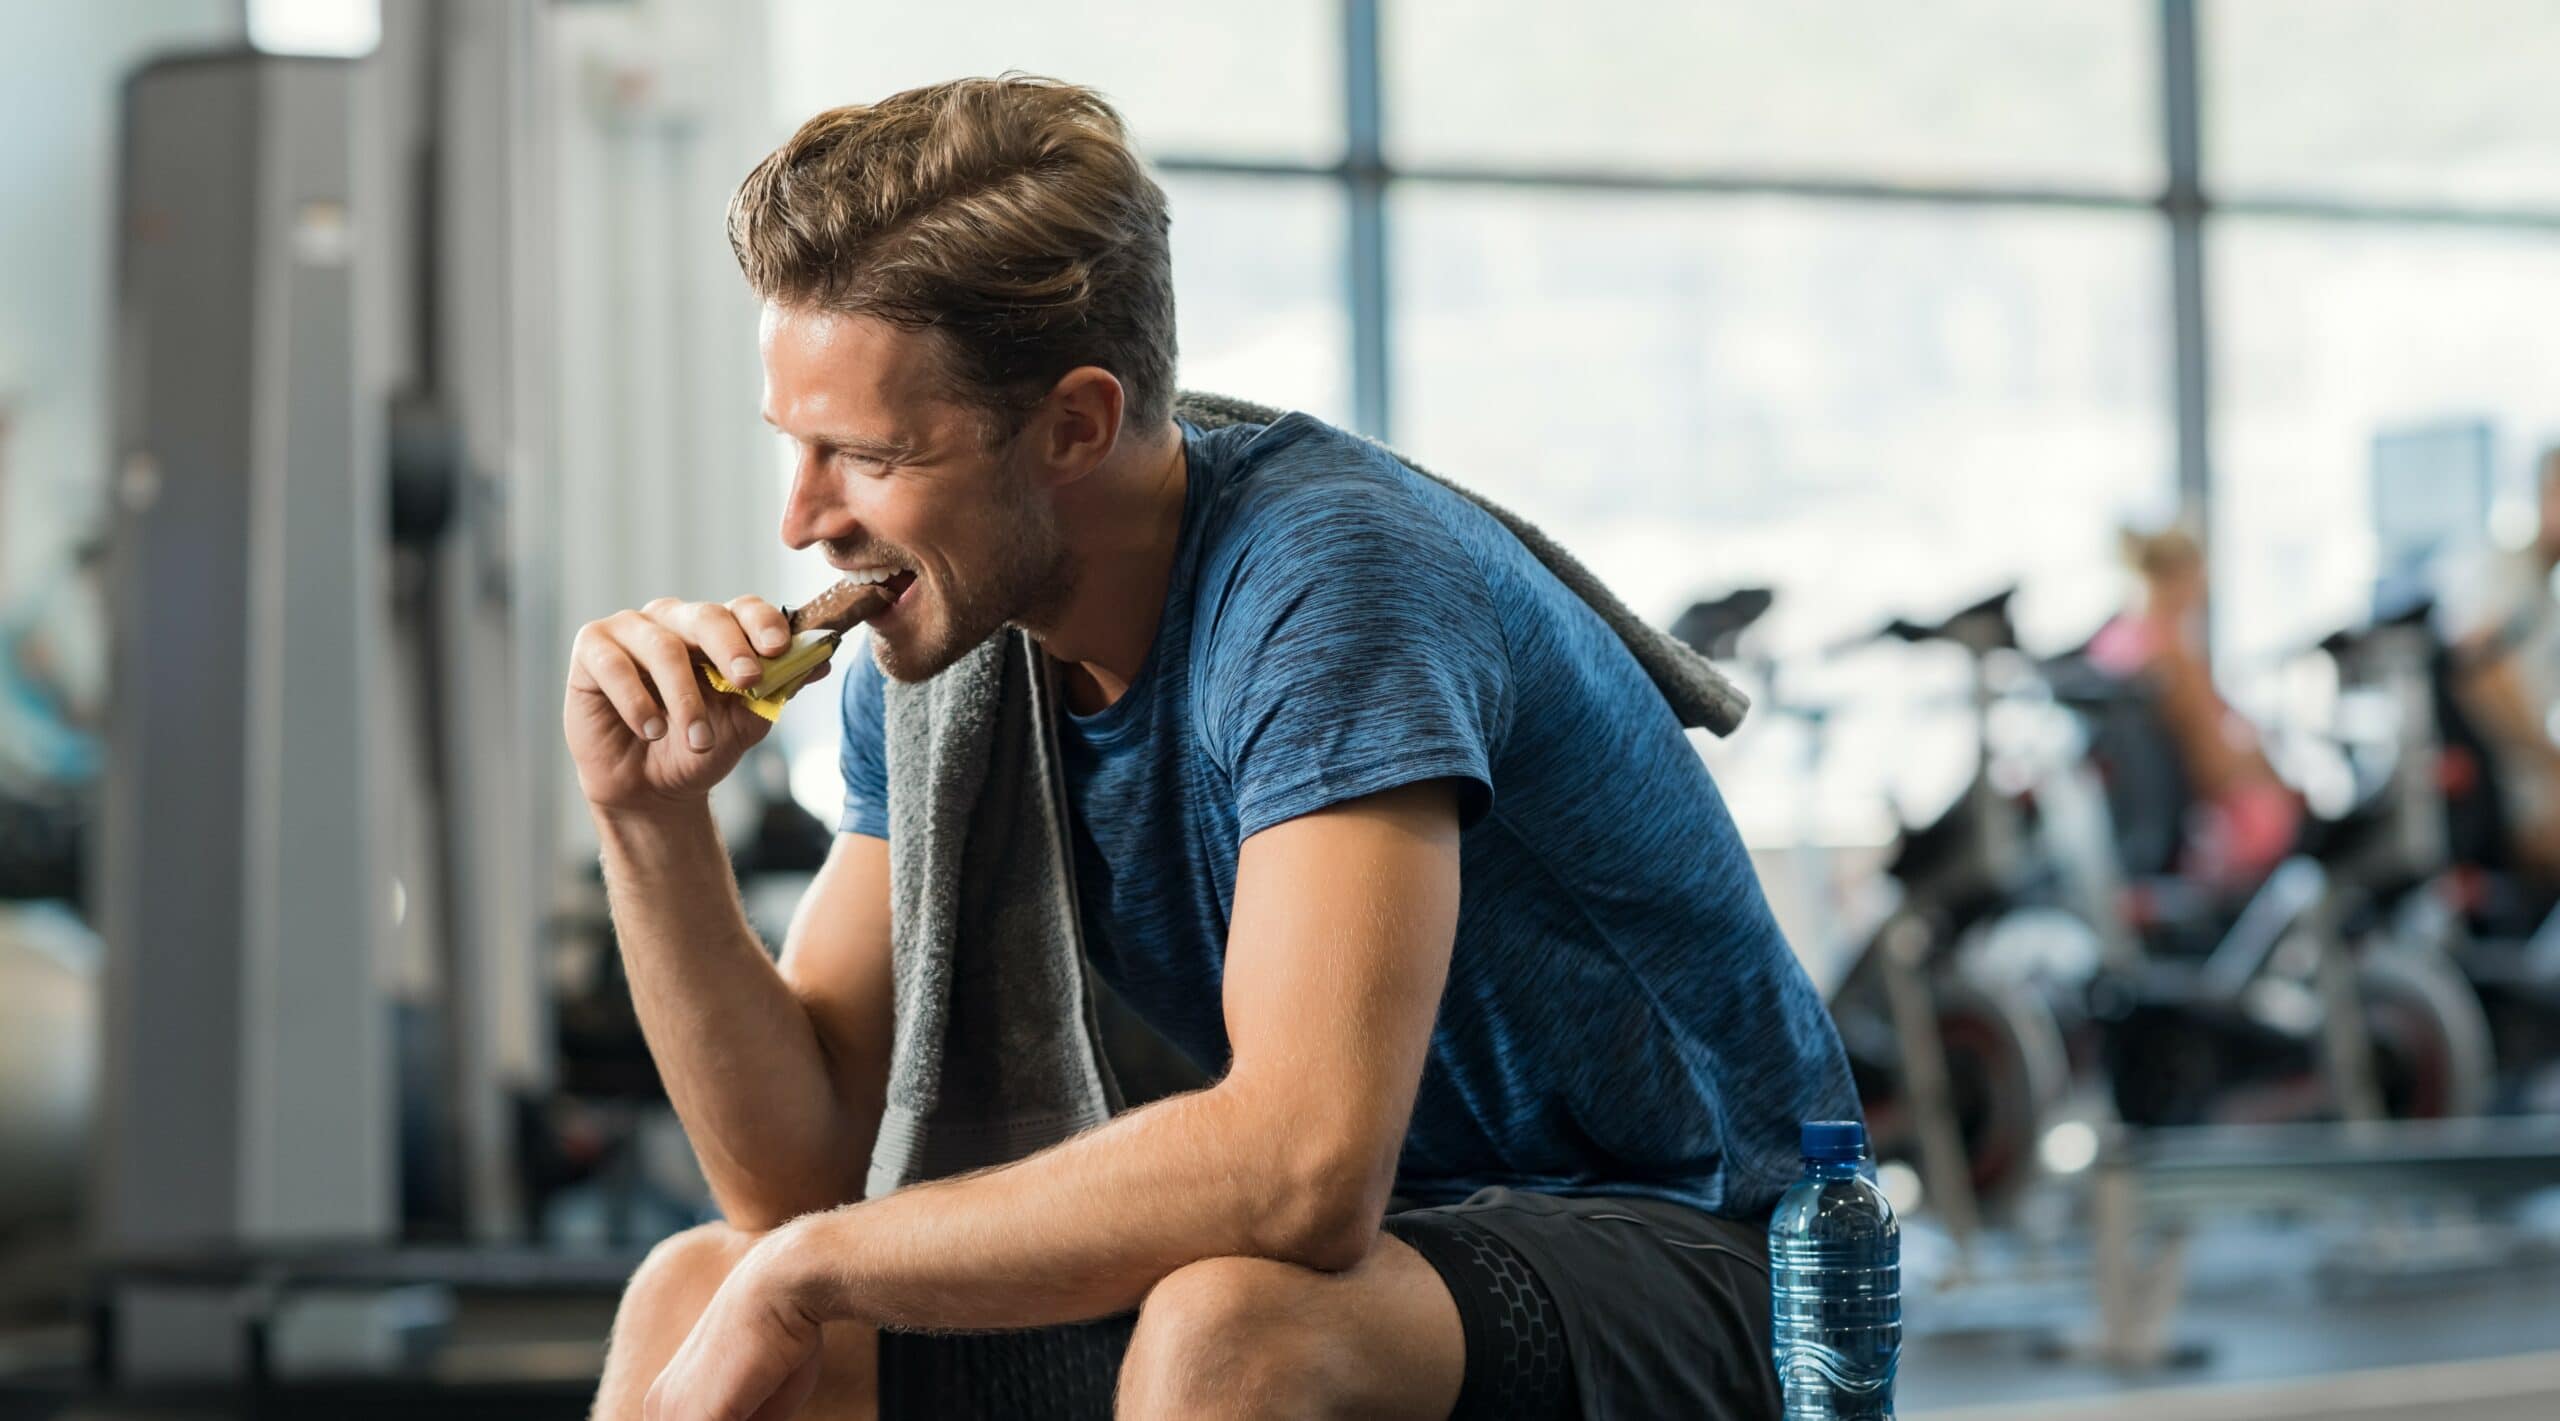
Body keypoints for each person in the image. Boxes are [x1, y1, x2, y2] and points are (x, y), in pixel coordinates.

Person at [566, 76, 1855, 1421]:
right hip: (1392, 1257)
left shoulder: (1332, 583)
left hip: (1717, 1254)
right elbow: (793, 1176)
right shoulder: (951, 635)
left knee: (1235, 1334)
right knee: (693, 1287)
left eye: (868, 455)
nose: (802, 521)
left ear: (1074, 423)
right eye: (798, 447)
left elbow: (1300, 1169)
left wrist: (813, 1265)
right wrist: (646, 822)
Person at [2086, 525, 2302, 892]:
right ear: (2183, 577)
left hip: (2128, 830)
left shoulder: (2113, 642)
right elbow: (2210, 767)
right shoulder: (2173, 657)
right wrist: (2277, 779)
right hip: (2198, 830)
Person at [2444, 447, 2560, 890]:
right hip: (2505, 800)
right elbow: (2481, 671)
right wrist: (2551, 765)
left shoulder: (2545, 595)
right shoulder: (2507, 573)